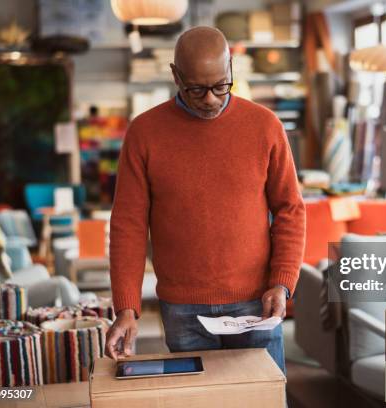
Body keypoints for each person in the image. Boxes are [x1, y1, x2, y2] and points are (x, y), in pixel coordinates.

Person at [104, 26, 305, 374]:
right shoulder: (145, 133)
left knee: (261, 399)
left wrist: (282, 282)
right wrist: (127, 307)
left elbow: (290, 209)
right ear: (175, 75)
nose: (211, 98)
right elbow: (128, 226)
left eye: (220, 85)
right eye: (196, 88)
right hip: (183, 308)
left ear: (231, 70)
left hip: (256, 303)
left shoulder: (265, 126)